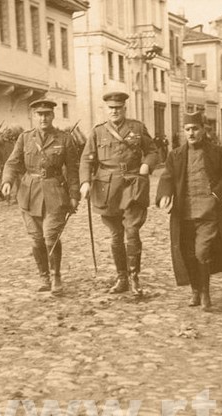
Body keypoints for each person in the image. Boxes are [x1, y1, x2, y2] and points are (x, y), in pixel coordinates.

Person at [156, 112, 222, 311]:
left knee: (202, 252)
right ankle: (194, 289)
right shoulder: (175, 155)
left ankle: (205, 293)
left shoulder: (218, 153)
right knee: (187, 254)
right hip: (183, 213)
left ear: (203, 129)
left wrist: (217, 196)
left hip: (209, 213)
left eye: (195, 129)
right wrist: (165, 194)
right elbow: (167, 177)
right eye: (187, 129)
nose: (191, 133)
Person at [79, 92, 159, 295]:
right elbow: (87, 160)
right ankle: (121, 277)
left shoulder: (137, 128)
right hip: (108, 189)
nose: (114, 111)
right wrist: (86, 182)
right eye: (111, 108)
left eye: (118, 108)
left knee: (132, 231)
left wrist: (146, 166)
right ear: (106, 110)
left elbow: (153, 151)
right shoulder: (97, 132)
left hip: (133, 184)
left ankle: (134, 278)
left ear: (124, 109)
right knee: (116, 236)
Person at [1, 97, 80, 293]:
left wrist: (74, 194)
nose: (43, 118)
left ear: (53, 115)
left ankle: (56, 276)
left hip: (55, 192)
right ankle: (44, 277)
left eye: (47, 114)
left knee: (50, 236)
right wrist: (7, 181)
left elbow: (72, 169)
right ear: (33, 116)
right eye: (39, 114)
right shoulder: (25, 138)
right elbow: (13, 162)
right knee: (37, 239)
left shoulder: (64, 139)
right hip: (29, 193)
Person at [0, 125, 24, 204]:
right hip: (7, 165)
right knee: (6, 182)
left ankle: (17, 198)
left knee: (18, 182)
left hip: (19, 165)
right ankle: (7, 198)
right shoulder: (2, 142)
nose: (11, 138)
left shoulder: (18, 142)